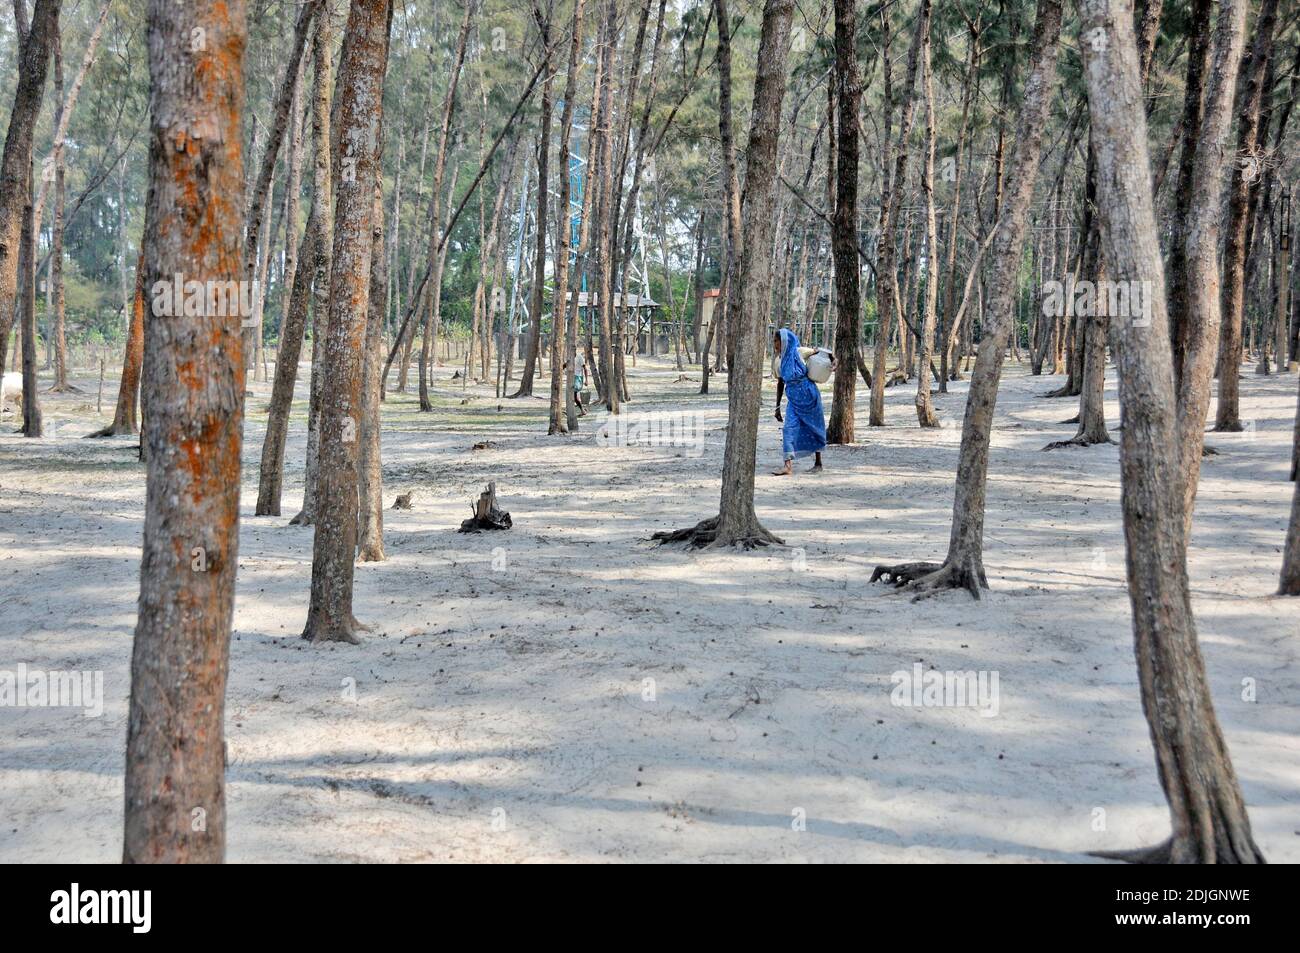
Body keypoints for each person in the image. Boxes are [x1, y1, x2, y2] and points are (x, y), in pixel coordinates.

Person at [771, 327, 828, 475]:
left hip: (809, 395)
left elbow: (823, 353)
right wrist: (777, 406)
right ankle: (787, 466)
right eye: (774, 341)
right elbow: (780, 383)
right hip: (793, 399)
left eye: (777, 341)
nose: (775, 345)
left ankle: (818, 462)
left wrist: (833, 364)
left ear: (785, 341)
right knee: (789, 428)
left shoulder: (798, 352)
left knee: (813, 427)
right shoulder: (778, 361)